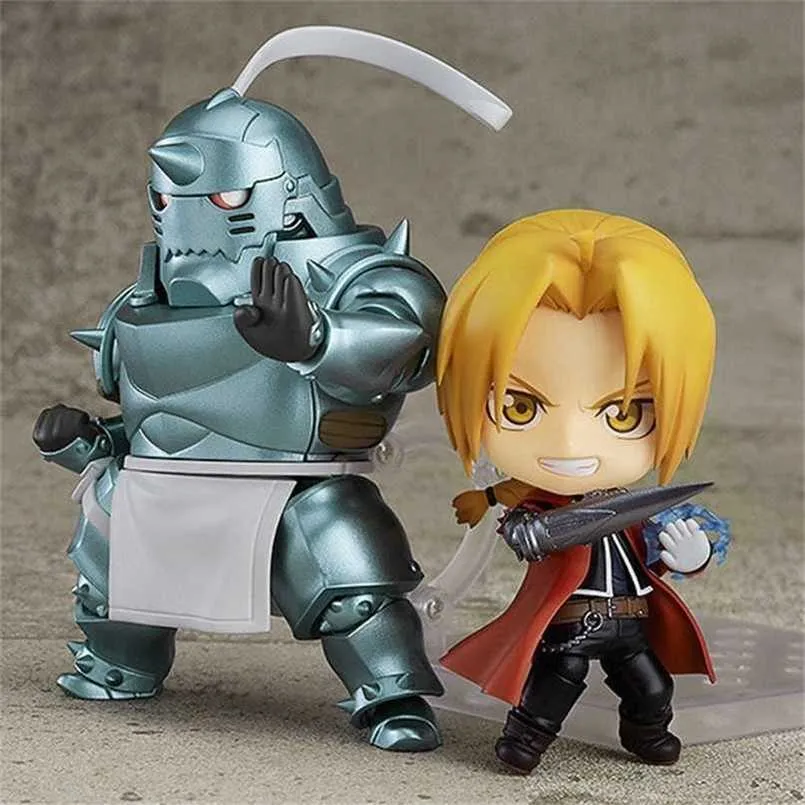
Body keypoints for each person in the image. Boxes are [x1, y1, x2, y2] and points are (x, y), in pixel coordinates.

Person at [435, 209, 719, 773]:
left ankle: (647, 733)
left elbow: (671, 545)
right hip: (569, 623)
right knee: (552, 688)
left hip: (631, 619)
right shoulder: (536, 507)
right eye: (519, 407)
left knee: (653, 687)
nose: (569, 444)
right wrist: (535, 529)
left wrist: (692, 555)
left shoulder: (637, 512)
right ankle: (524, 741)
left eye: (623, 414)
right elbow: (520, 533)